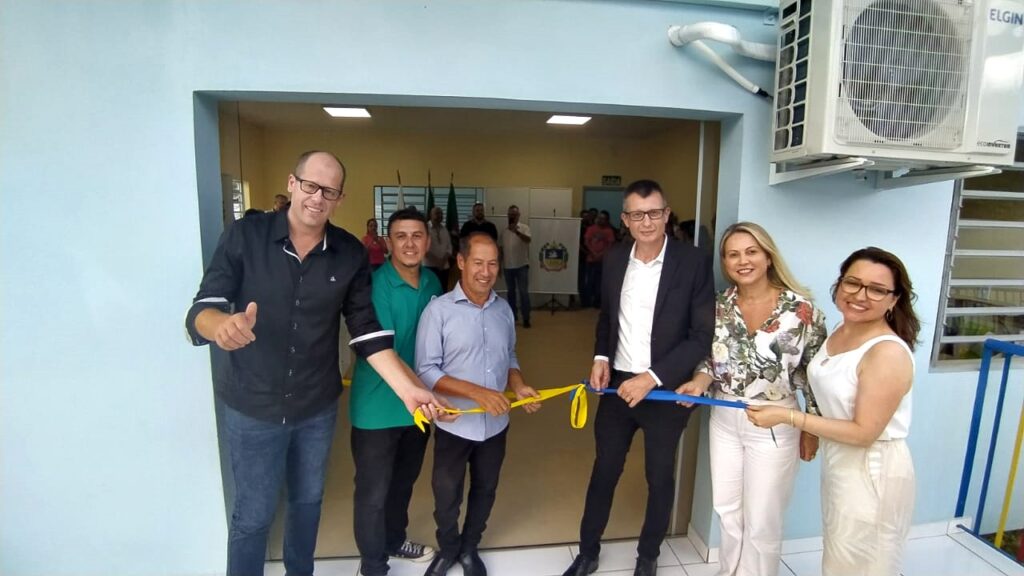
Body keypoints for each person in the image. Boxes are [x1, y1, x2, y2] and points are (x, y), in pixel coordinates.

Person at [185, 150, 447, 576]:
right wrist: (221, 327)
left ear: (339, 199)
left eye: (329, 191)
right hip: (253, 404)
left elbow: (365, 330)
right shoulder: (245, 235)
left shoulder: (348, 253)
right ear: (292, 184)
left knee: (307, 504)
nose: (317, 198)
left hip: (315, 407)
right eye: (310, 186)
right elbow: (202, 307)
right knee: (253, 515)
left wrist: (408, 389)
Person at [563, 180, 714, 576]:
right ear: (625, 219)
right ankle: (587, 552)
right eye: (637, 214)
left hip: (665, 389)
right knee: (604, 470)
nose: (646, 222)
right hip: (618, 388)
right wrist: (600, 356)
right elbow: (607, 318)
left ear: (666, 214)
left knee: (659, 477)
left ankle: (648, 555)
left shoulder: (693, 262)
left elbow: (701, 335)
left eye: (654, 213)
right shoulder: (614, 259)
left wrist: (652, 377)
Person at [747, 247, 919, 576]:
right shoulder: (842, 330)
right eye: (852, 283)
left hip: (873, 468)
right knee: (839, 557)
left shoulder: (886, 353)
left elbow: (864, 433)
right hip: (841, 461)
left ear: (894, 300)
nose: (860, 295)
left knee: (863, 564)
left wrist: (788, 416)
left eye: (877, 289)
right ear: (839, 285)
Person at [675, 222, 827, 576]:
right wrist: (698, 382)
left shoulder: (801, 310)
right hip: (724, 417)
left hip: (775, 422)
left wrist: (812, 428)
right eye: (733, 255)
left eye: (751, 252)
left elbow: (814, 374)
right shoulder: (718, 306)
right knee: (727, 510)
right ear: (725, 262)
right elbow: (709, 359)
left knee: (763, 519)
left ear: (768, 256)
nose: (742, 261)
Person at [415, 232, 542, 576]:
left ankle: (470, 547)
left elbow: (509, 356)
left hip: (496, 424)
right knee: (446, 493)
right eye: (478, 263)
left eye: (493, 264)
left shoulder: (504, 309)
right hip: (455, 424)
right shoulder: (439, 311)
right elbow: (426, 370)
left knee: (486, 488)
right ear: (461, 262)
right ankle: (448, 548)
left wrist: (519, 385)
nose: (486, 272)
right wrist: (476, 393)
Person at [350, 208, 444, 576]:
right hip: (376, 408)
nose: (409, 243)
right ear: (388, 242)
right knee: (373, 493)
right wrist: (425, 392)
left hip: (417, 409)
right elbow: (384, 350)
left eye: (417, 235)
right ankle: (373, 566)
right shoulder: (376, 286)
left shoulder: (433, 283)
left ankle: (393, 540)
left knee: (403, 482)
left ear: (428, 241)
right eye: (401, 236)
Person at [500, 204, 532, 328]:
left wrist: (516, 232)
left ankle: (526, 318)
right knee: (511, 293)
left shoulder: (524, 227)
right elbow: (501, 249)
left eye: (514, 214)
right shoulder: (504, 231)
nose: (512, 216)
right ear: (508, 216)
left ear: (519, 215)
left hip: (522, 266)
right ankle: (513, 316)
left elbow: (528, 240)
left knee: (523, 292)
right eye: (510, 214)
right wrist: (499, 265)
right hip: (508, 267)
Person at [583, 211, 616, 309]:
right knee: (589, 281)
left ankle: (597, 302)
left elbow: (610, 245)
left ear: (606, 220)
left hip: (603, 260)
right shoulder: (591, 229)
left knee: (600, 282)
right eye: (599, 218)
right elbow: (586, 242)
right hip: (591, 259)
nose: (601, 220)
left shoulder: (609, 231)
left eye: (603, 218)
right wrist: (593, 252)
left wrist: (601, 254)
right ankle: (587, 302)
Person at [425, 206, 453, 289]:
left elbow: (449, 248)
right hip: (429, 267)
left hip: (444, 267)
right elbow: (423, 248)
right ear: (431, 215)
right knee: (430, 291)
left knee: (443, 291)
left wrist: (443, 261)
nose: (440, 216)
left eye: (441, 214)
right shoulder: (425, 229)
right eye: (437, 213)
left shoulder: (444, 229)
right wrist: (437, 262)